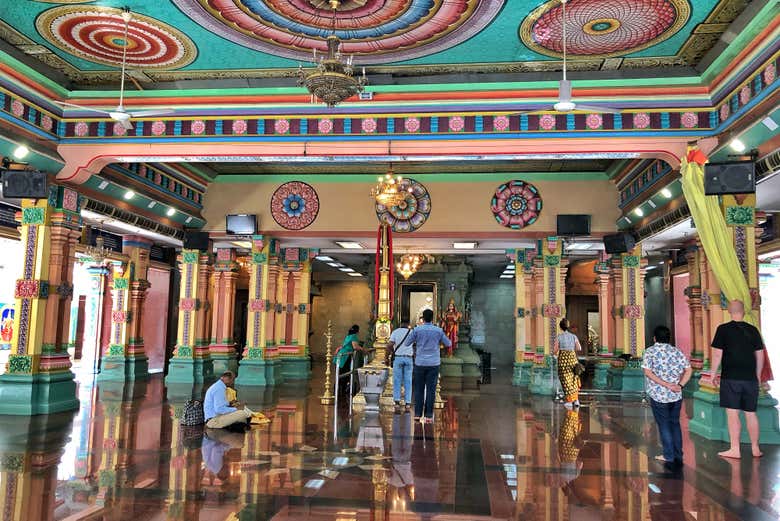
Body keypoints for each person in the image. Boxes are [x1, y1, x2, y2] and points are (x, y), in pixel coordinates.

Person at [711, 300, 766, 459]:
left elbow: (717, 354)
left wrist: (713, 374)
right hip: (750, 378)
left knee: (733, 414)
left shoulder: (723, 329)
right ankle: (755, 448)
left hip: (731, 378)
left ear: (729, 311)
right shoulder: (753, 330)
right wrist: (757, 374)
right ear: (743, 311)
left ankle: (735, 449)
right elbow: (760, 355)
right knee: (751, 413)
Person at [642, 325, 691, 467]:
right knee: (674, 423)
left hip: (658, 395)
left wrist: (665, 384)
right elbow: (688, 370)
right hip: (676, 395)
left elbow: (647, 372)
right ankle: (678, 454)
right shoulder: (677, 352)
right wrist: (680, 385)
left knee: (664, 424)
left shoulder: (650, 351)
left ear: (655, 338)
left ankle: (668, 455)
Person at [406, 309, 451, 423]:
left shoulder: (417, 330)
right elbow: (448, 343)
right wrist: (437, 342)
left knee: (419, 389)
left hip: (420, 363)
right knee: (431, 389)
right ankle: (429, 416)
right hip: (433, 363)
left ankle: (417, 414)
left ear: (423, 318)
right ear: (432, 318)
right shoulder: (438, 331)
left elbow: (407, 342)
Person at [553, 319, 582, 409]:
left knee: (565, 380)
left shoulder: (559, 337)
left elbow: (555, 350)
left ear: (560, 327)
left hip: (563, 360)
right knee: (574, 379)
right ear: (568, 326)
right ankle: (576, 400)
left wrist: (555, 355)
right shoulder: (573, 336)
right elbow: (579, 348)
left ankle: (569, 400)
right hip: (572, 359)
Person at [388, 320, 414, 412]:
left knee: (397, 380)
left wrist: (392, 352)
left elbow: (390, 344)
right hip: (408, 358)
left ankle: (397, 401)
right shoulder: (411, 332)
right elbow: (416, 344)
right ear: (408, 325)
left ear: (400, 325)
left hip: (398, 358)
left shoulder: (395, 332)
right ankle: (407, 403)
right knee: (408, 380)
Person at [335, 325, 364, 394]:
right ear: (357, 331)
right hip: (345, 357)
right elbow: (355, 347)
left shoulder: (348, 336)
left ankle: (338, 390)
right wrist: (363, 349)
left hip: (340, 356)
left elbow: (344, 345)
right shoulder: (354, 336)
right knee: (345, 373)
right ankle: (343, 390)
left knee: (340, 373)